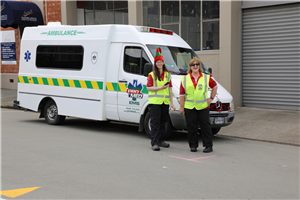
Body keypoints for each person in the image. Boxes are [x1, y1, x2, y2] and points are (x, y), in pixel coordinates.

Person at [179, 57, 218, 153]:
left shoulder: (206, 77)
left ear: (199, 66)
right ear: (190, 67)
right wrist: (181, 106)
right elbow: (182, 93)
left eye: (197, 64)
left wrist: (211, 98)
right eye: (193, 64)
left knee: (205, 127)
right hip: (189, 107)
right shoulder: (185, 79)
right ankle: (193, 145)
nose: (195, 66)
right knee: (191, 127)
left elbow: (215, 86)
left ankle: (208, 146)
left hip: (203, 106)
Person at [146, 47, 176, 151]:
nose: (159, 63)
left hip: (165, 102)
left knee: (163, 122)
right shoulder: (152, 75)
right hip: (155, 102)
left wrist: (172, 103)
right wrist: (160, 88)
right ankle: (154, 142)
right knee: (155, 122)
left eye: (161, 62)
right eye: (157, 62)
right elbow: (148, 87)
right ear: (155, 63)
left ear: (163, 63)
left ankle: (161, 140)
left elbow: (170, 89)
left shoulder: (168, 75)